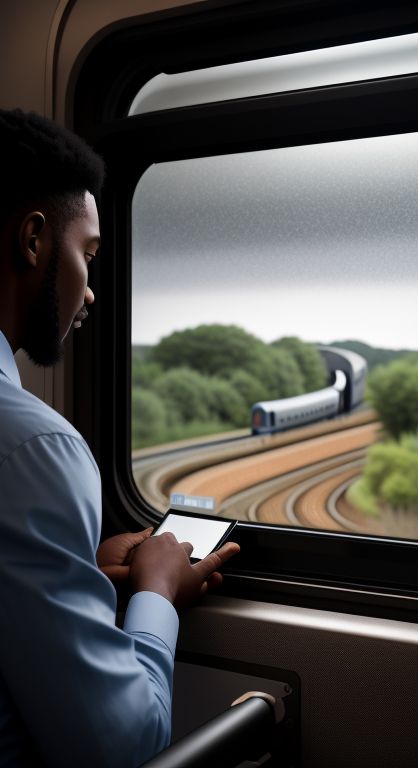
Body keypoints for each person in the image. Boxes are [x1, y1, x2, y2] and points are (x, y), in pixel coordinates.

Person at [0, 108, 240, 768]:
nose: (92, 292)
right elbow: (122, 748)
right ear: (33, 240)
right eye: (89, 254)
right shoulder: (33, 449)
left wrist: (79, 567)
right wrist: (158, 595)